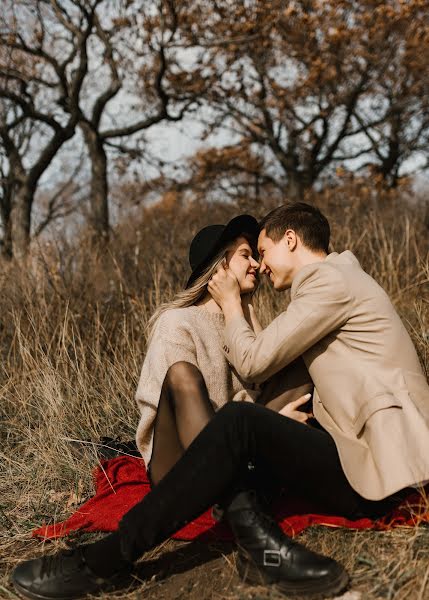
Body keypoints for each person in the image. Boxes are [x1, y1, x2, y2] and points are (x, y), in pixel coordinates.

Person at [13, 213, 343, 600]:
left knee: (300, 365)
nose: (257, 263)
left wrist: (274, 423)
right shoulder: (178, 323)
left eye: (256, 255)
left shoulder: (248, 327)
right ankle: (245, 525)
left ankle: (251, 513)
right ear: (219, 268)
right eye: (245, 255)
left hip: (235, 451)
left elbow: (247, 408)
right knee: (184, 374)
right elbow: (164, 407)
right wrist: (261, 421)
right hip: (176, 459)